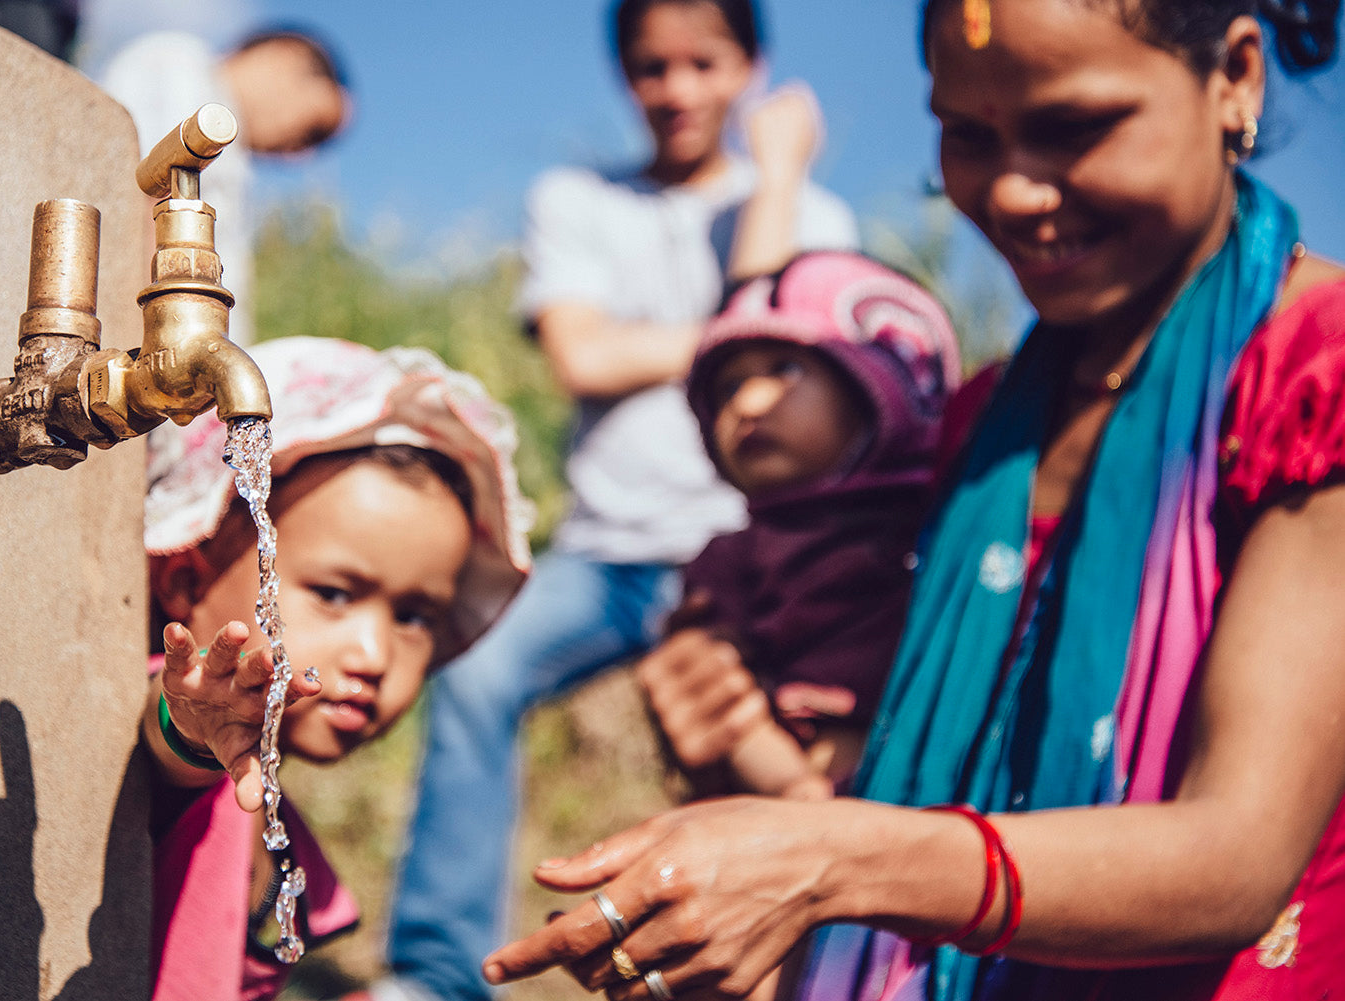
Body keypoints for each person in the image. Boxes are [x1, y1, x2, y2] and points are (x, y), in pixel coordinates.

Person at [481, 2, 1345, 1000]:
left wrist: (831, 859)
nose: (1016, 190)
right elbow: (903, 753)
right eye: (970, 137)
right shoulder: (984, 428)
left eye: (1074, 127)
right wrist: (724, 709)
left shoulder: (1310, 374)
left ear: (1234, 77)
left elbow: (1235, 859)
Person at [379, 4, 859, 1001]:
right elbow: (582, 353)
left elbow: (734, 342)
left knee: (745, 750)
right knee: (474, 673)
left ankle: (752, 969)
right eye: (651, 68)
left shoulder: (812, 215)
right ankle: (433, 973)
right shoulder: (576, 197)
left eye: (703, 63)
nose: (677, 91)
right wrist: (727, 331)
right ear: (624, 79)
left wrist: (774, 177)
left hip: (747, 551)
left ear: (750, 68)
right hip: (604, 553)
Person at [140, 336, 532, 1001]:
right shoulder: (199, 719)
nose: (375, 656)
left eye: (415, 616)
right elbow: (168, 736)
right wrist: (192, 728)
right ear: (185, 581)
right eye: (336, 593)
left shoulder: (273, 820)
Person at [639, 249, 960, 805]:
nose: (749, 403)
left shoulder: (952, 525)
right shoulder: (734, 556)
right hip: (795, 784)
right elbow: (725, 706)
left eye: (785, 369)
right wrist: (793, 788)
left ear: (881, 386)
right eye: (727, 389)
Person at [100, 28, 352, 345]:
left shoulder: (234, 158)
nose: (302, 155)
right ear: (287, 58)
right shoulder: (183, 69)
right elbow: (152, 200)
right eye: (314, 130)